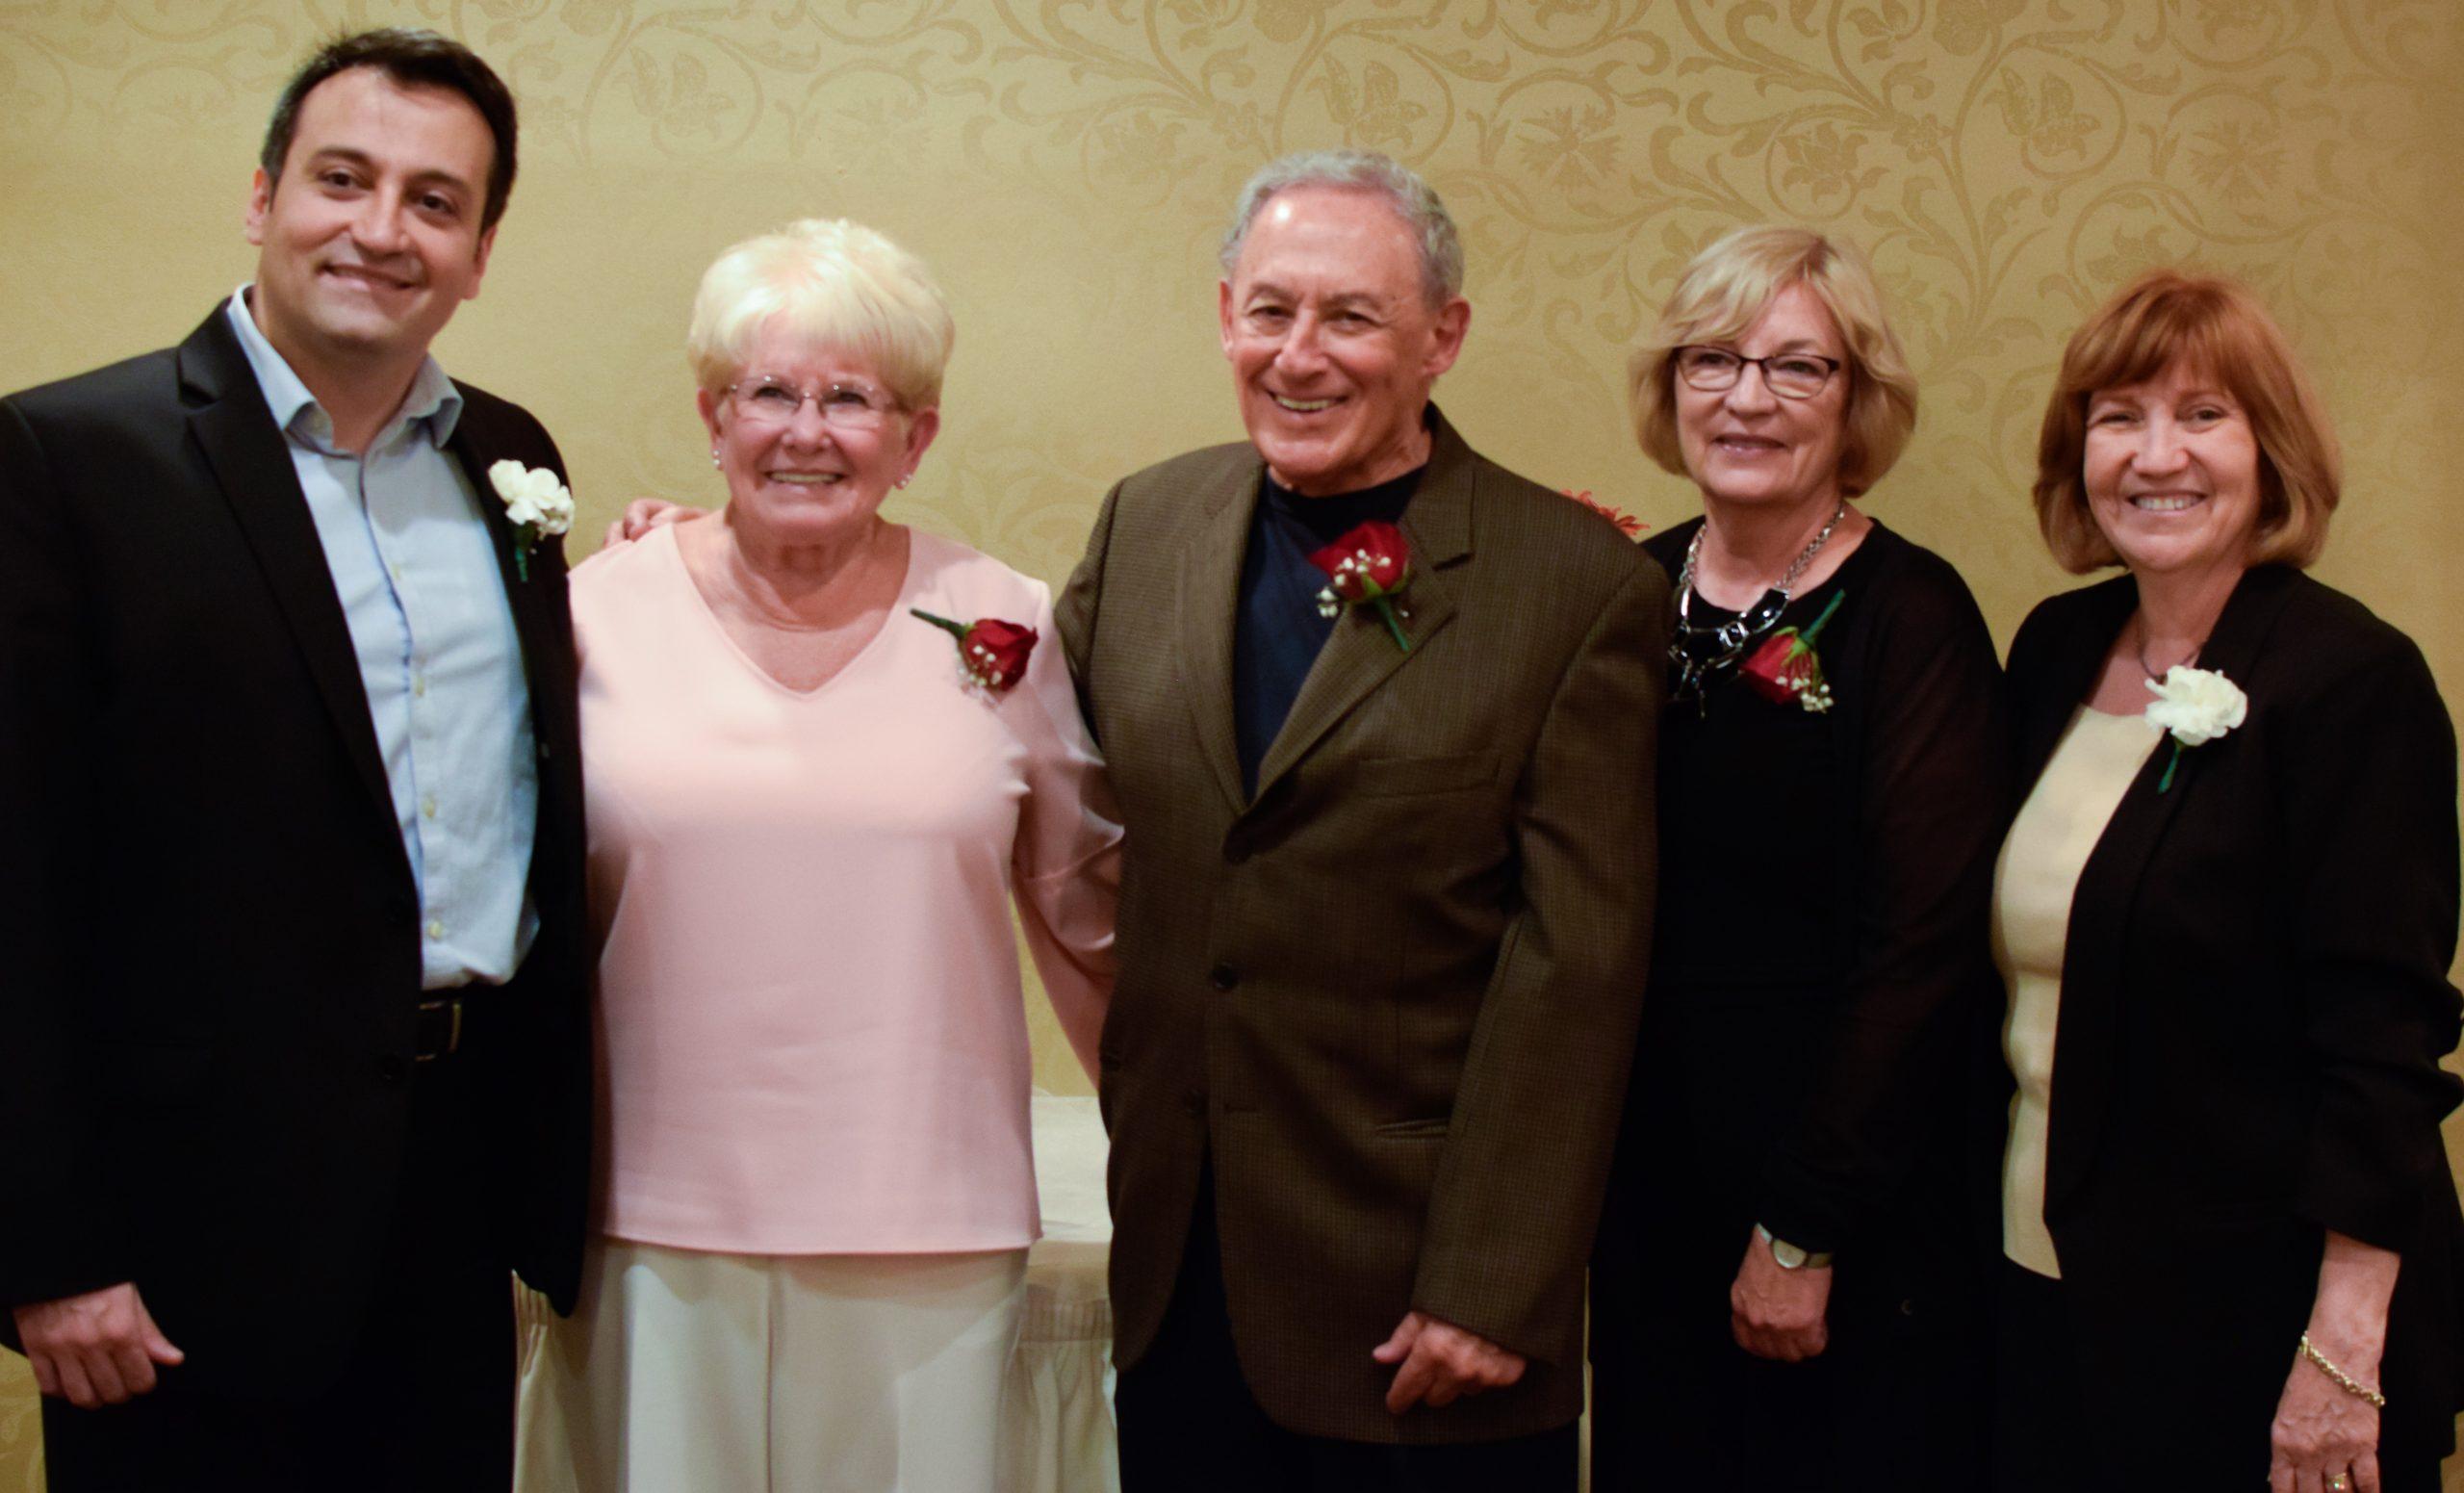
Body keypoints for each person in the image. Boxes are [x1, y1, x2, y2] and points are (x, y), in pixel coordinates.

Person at [0, 28, 589, 1492]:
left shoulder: (510, 459)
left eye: (435, 201)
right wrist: (49, 1251)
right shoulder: (66, 458)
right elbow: (8, 880)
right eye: (344, 179)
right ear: (262, 195)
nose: (383, 230)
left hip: (454, 1196)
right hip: (182, 1227)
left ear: (480, 250)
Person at [1060, 149, 1662, 1488]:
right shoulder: (1145, 524)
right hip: (1182, 1274)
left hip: (1423, 1309)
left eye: (1351, 315)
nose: (1299, 355)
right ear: (1224, 315)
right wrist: (750, 560)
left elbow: (1579, 964)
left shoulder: (1574, 588)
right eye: (1270, 310)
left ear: (1442, 335)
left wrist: (1493, 1284)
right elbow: (1005, 748)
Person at [514, 218, 1119, 1493]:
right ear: (710, 413)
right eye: (770, 391)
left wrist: (1184, 1139)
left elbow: (1088, 909)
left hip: (930, 1218)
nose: (806, 429)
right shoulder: (587, 612)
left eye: (852, 396)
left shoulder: (1000, 616)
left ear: (917, 434)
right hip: (643, 1217)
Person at [1989, 269, 2463, 1492]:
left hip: (2260, 1325)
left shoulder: (2349, 681)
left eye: (2204, 415)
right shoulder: (2051, 650)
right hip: (2044, 1287)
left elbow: (2382, 1048)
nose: (2157, 456)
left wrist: (2341, 1353)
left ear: (2271, 451)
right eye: (2117, 416)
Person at [1588, 225, 2005, 1490]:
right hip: (1648, 1191)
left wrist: (1803, 1223)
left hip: (1841, 1203)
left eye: (1797, 367)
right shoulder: (1626, 591)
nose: (1748, 397)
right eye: (1712, 359)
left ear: (1857, 400)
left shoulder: (1913, 618)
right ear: (1671, 387)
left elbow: (1921, 949)